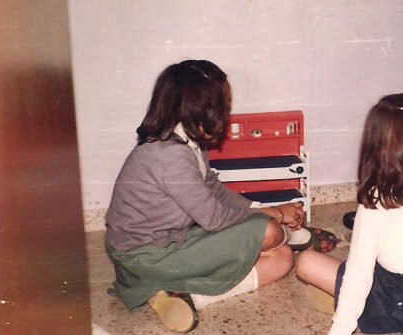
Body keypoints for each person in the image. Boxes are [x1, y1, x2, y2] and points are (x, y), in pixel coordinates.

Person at [104, 59, 304, 333]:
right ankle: (293, 235)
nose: (226, 114)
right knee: (269, 232)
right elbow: (214, 218)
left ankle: (181, 294)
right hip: (145, 257)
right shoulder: (170, 155)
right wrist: (275, 214)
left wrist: (262, 207)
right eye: (224, 107)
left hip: (169, 242)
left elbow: (213, 189)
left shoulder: (184, 141)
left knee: (283, 260)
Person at [296, 94, 403, 335]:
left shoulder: (379, 200)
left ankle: (377, 325)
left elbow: (359, 274)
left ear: (374, 142)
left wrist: (340, 330)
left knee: (307, 262)